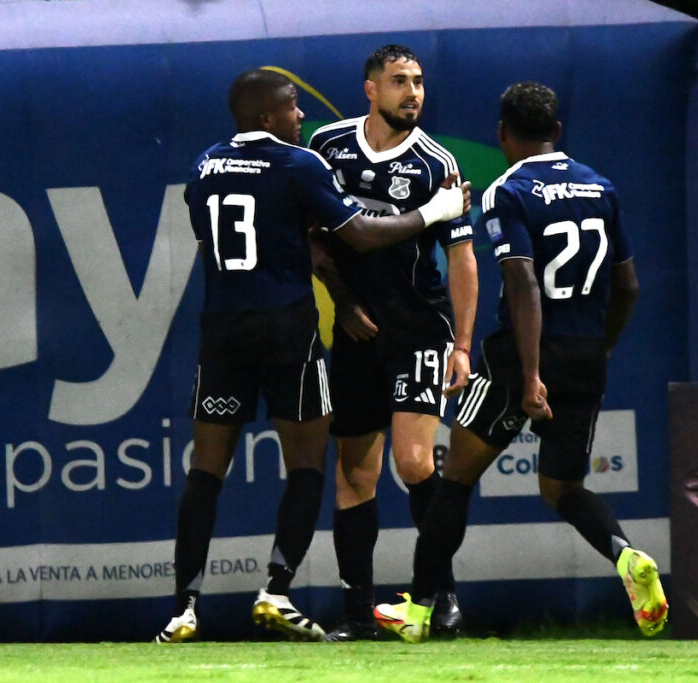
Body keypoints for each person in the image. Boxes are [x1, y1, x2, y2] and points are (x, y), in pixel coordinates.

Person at [154, 68, 470, 644]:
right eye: (293, 107)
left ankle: (183, 608)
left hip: (222, 327)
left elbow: (211, 235)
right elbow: (360, 235)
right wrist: (437, 210)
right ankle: (279, 591)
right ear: (267, 118)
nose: (302, 116)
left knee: (205, 470)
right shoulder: (303, 161)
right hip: (286, 325)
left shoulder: (203, 165)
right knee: (310, 465)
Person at [373, 81, 668, 642]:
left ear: (503, 133)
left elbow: (522, 280)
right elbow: (628, 284)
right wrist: (599, 346)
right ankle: (627, 556)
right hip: (584, 354)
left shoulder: (508, 190)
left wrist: (532, 374)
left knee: (456, 477)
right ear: (557, 131)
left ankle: (421, 607)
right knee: (564, 489)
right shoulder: (599, 186)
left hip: (519, 359)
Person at [307, 44, 478, 641]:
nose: (414, 92)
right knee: (354, 475)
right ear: (370, 89)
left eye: (420, 81)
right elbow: (314, 238)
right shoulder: (327, 147)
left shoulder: (436, 164)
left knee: (412, 462)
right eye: (400, 81)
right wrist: (342, 297)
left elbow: (462, 260)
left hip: (416, 326)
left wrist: (462, 344)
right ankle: (358, 614)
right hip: (355, 331)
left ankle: (439, 595)